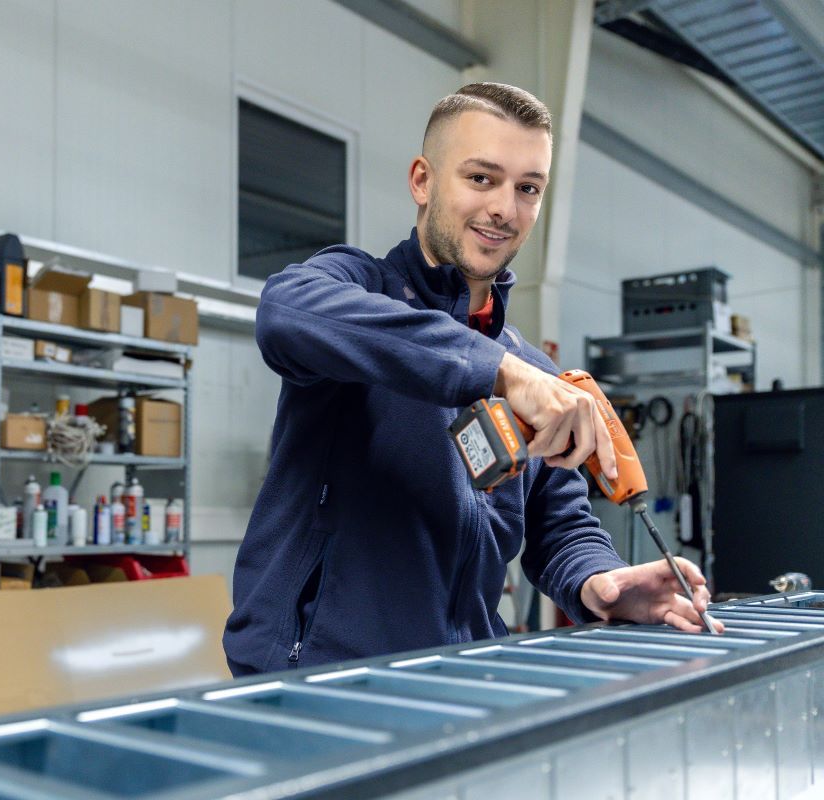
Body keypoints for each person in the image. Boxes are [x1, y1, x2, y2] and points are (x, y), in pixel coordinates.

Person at [223, 82, 721, 676]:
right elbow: (284, 312)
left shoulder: (533, 371)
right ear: (423, 181)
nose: (505, 209)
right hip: (321, 678)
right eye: (482, 178)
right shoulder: (356, 287)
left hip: (466, 673)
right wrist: (496, 372)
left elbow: (560, 528)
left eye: (528, 188)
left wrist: (604, 582)